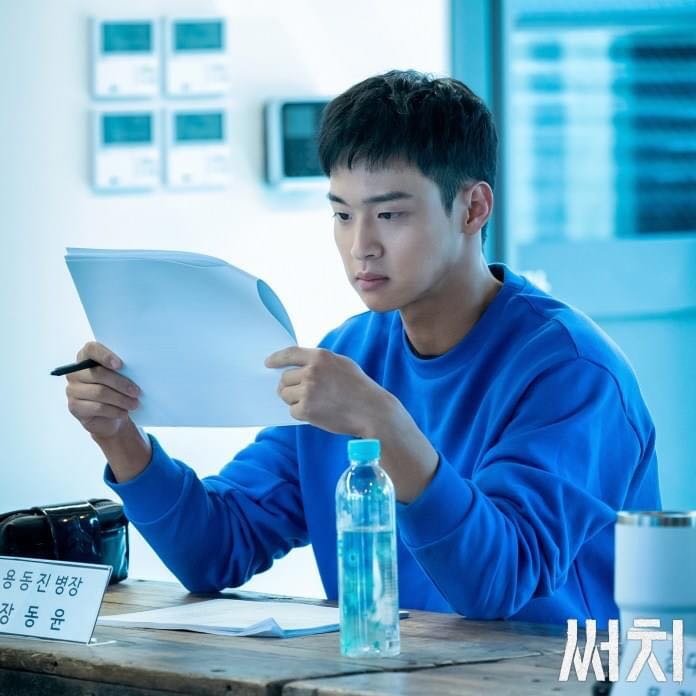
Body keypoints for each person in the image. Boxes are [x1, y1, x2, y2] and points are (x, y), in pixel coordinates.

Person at [64, 69, 660, 628]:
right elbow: (218, 549)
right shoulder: (349, 353)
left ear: (473, 208)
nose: (361, 246)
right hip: (382, 677)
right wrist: (120, 436)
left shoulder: (574, 373)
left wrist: (383, 423)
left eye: (390, 214)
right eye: (343, 215)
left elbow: (497, 583)